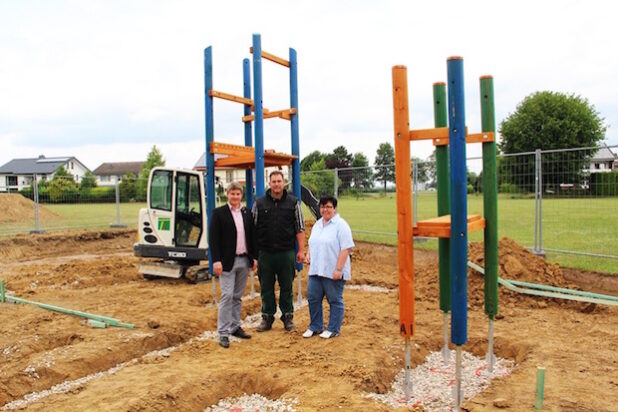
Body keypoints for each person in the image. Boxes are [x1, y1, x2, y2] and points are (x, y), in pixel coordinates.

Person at [252, 170, 305, 332]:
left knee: (287, 286)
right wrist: (254, 255)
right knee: (266, 287)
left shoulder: (293, 203)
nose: (276, 184)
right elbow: (252, 229)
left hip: (286, 252)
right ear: (269, 183)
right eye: (273, 181)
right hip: (265, 253)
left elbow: (300, 227)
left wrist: (301, 250)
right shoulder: (259, 203)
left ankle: (287, 317)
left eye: (279, 181)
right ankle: (267, 318)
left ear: (284, 183)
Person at [209, 181, 257, 348]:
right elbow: (213, 239)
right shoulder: (219, 213)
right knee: (227, 295)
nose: (235, 197)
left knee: (237, 296)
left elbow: (252, 237)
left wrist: (254, 258)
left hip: (244, 260)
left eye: (238, 194)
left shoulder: (247, 213)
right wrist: (216, 260)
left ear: (241, 195)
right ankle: (223, 332)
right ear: (227, 195)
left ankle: (235, 327)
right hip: (227, 262)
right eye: (232, 194)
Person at [303, 196, 354, 339]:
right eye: (323, 207)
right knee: (313, 298)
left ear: (335, 209)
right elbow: (313, 243)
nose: (325, 210)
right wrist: (308, 255)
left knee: (334, 300)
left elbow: (346, 248)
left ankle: (333, 329)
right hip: (316, 269)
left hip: (332, 271)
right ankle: (315, 326)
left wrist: (338, 269)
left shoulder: (341, 225)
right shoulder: (318, 224)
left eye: (329, 207)